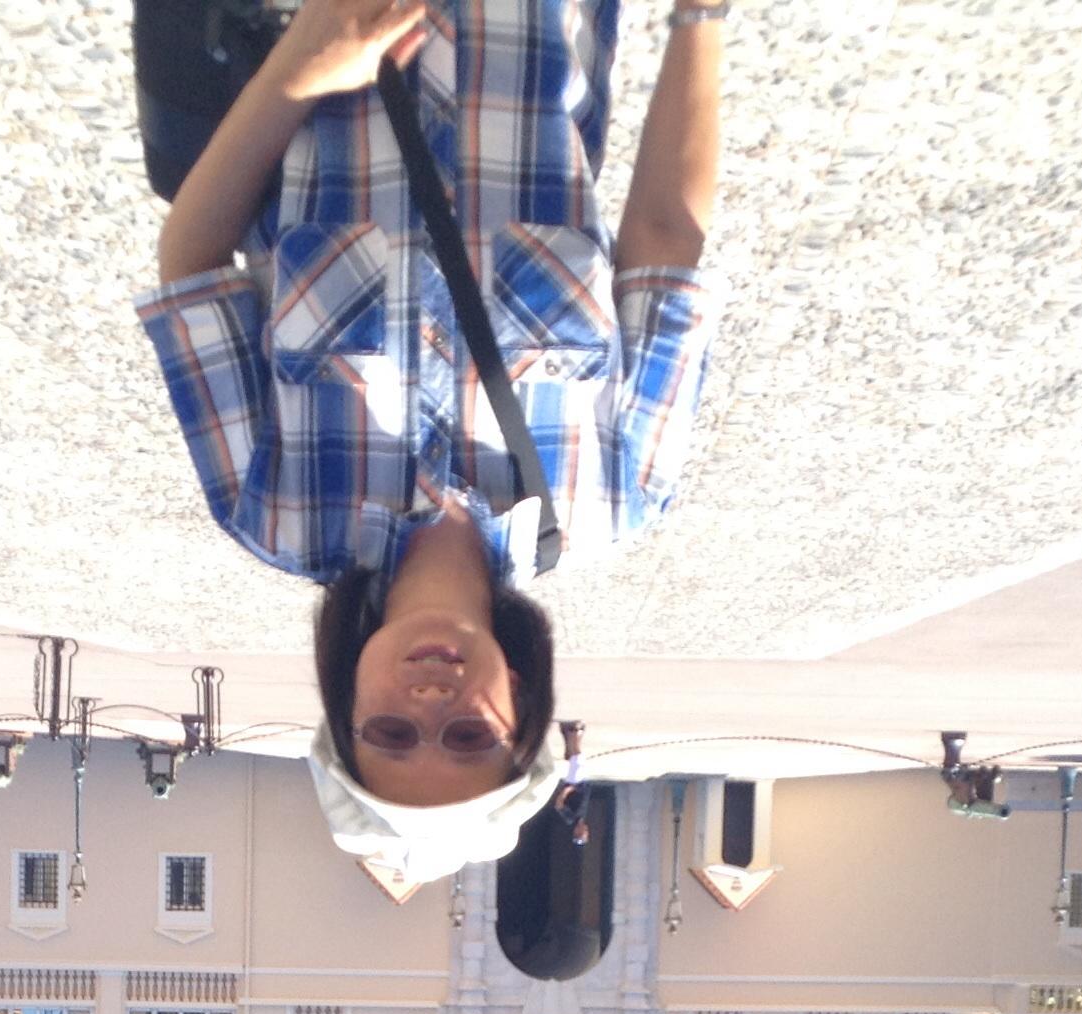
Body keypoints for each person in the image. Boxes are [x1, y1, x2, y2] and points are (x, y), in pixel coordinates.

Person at [137, 0, 726, 879]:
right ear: (519, 710)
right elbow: (665, 249)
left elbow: (189, 266)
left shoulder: (274, 510)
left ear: (345, 707)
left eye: (391, 732)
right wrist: (701, 15)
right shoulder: (617, 494)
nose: (429, 702)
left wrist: (301, 69)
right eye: (467, 736)